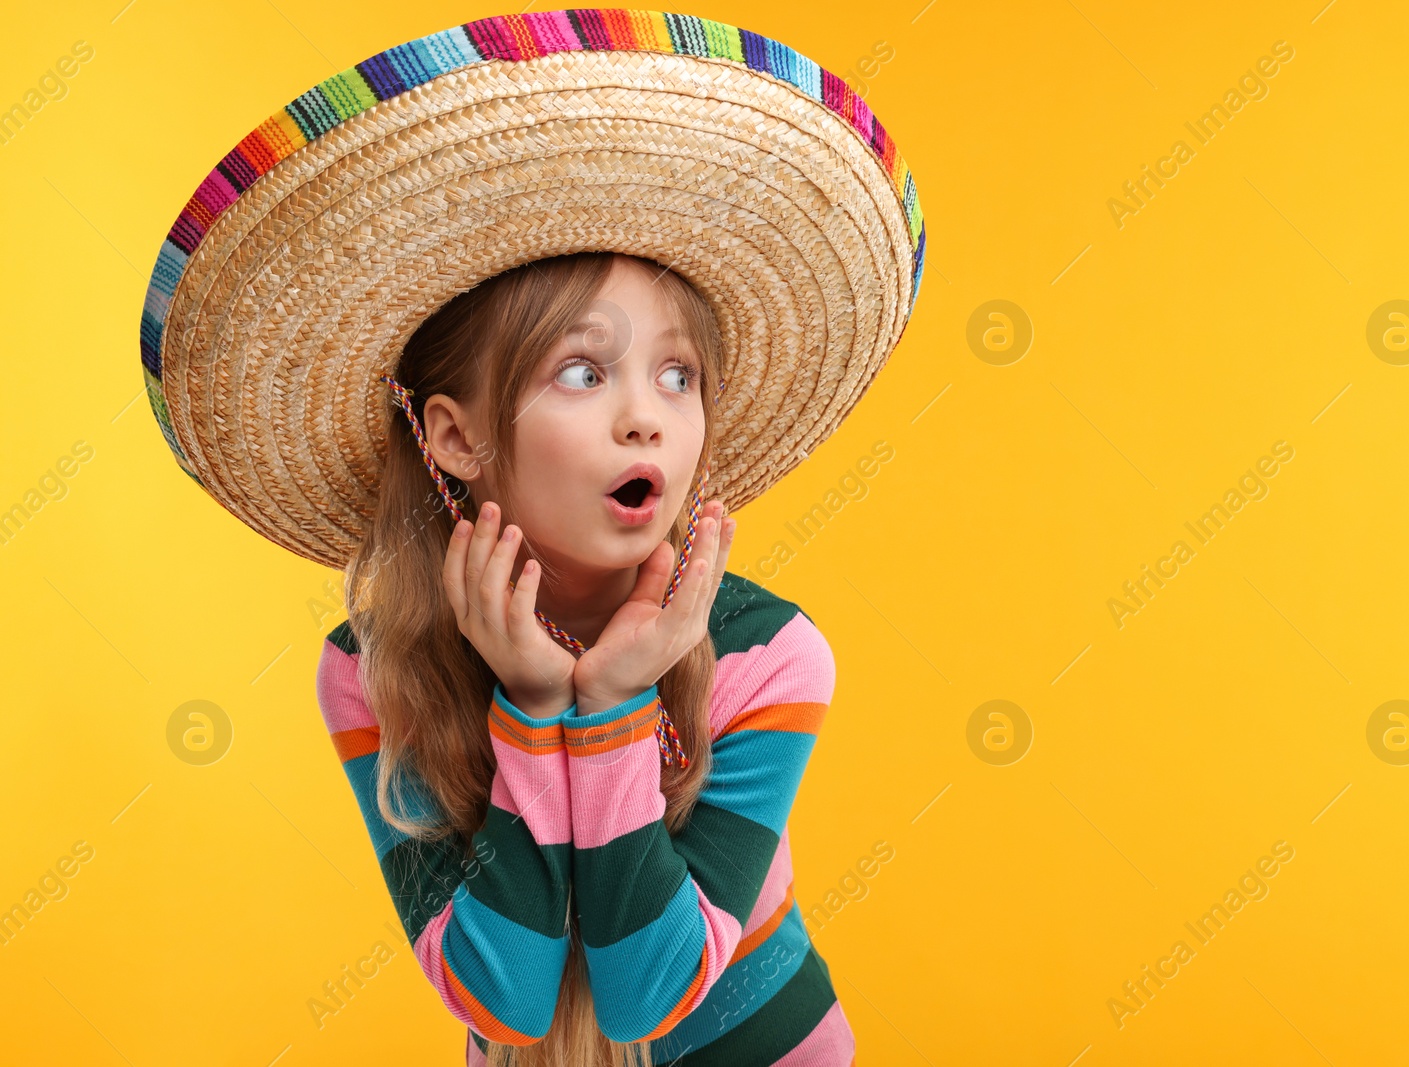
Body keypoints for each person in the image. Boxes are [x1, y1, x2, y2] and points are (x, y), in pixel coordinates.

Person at [137, 10, 925, 1065]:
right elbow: (499, 997)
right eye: (584, 372)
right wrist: (535, 700)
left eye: (678, 374)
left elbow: (651, 994)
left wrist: (608, 702)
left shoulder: (769, 654)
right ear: (456, 436)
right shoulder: (370, 671)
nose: (646, 415)